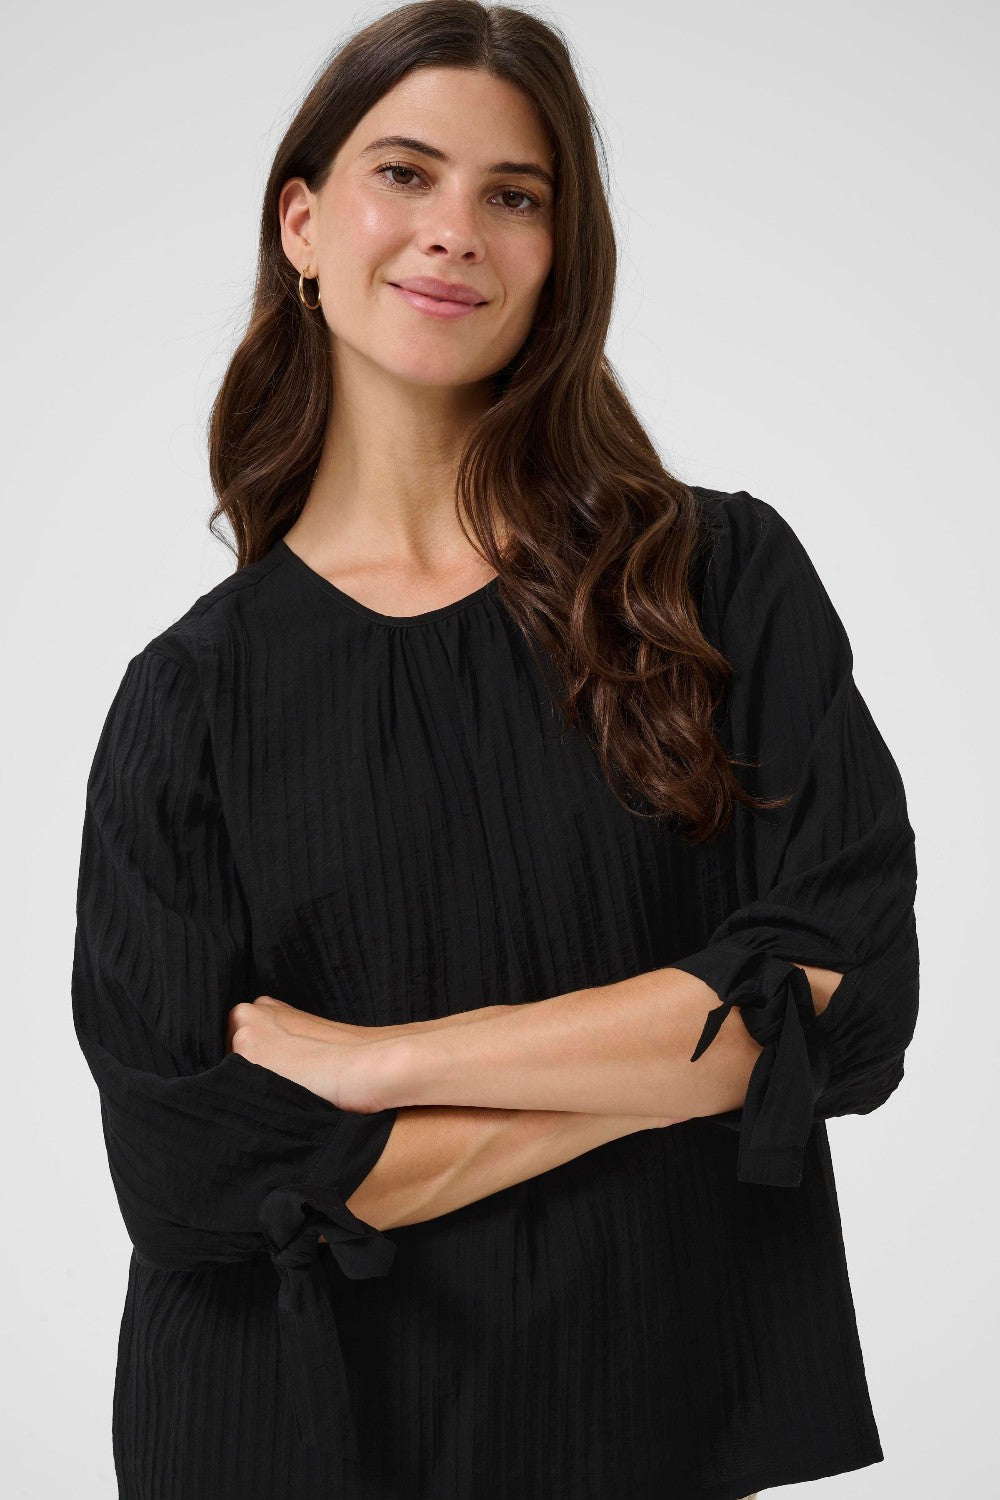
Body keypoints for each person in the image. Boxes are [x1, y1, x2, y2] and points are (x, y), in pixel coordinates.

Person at [70, 3, 919, 1497]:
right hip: (298, 1444)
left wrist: (389, 1066)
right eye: (406, 173)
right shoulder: (188, 701)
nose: (455, 230)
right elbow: (197, 1175)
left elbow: (844, 997)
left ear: (557, 253)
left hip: (640, 1420)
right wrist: (674, 1057)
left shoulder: (716, 583)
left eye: (513, 195)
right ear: (304, 220)